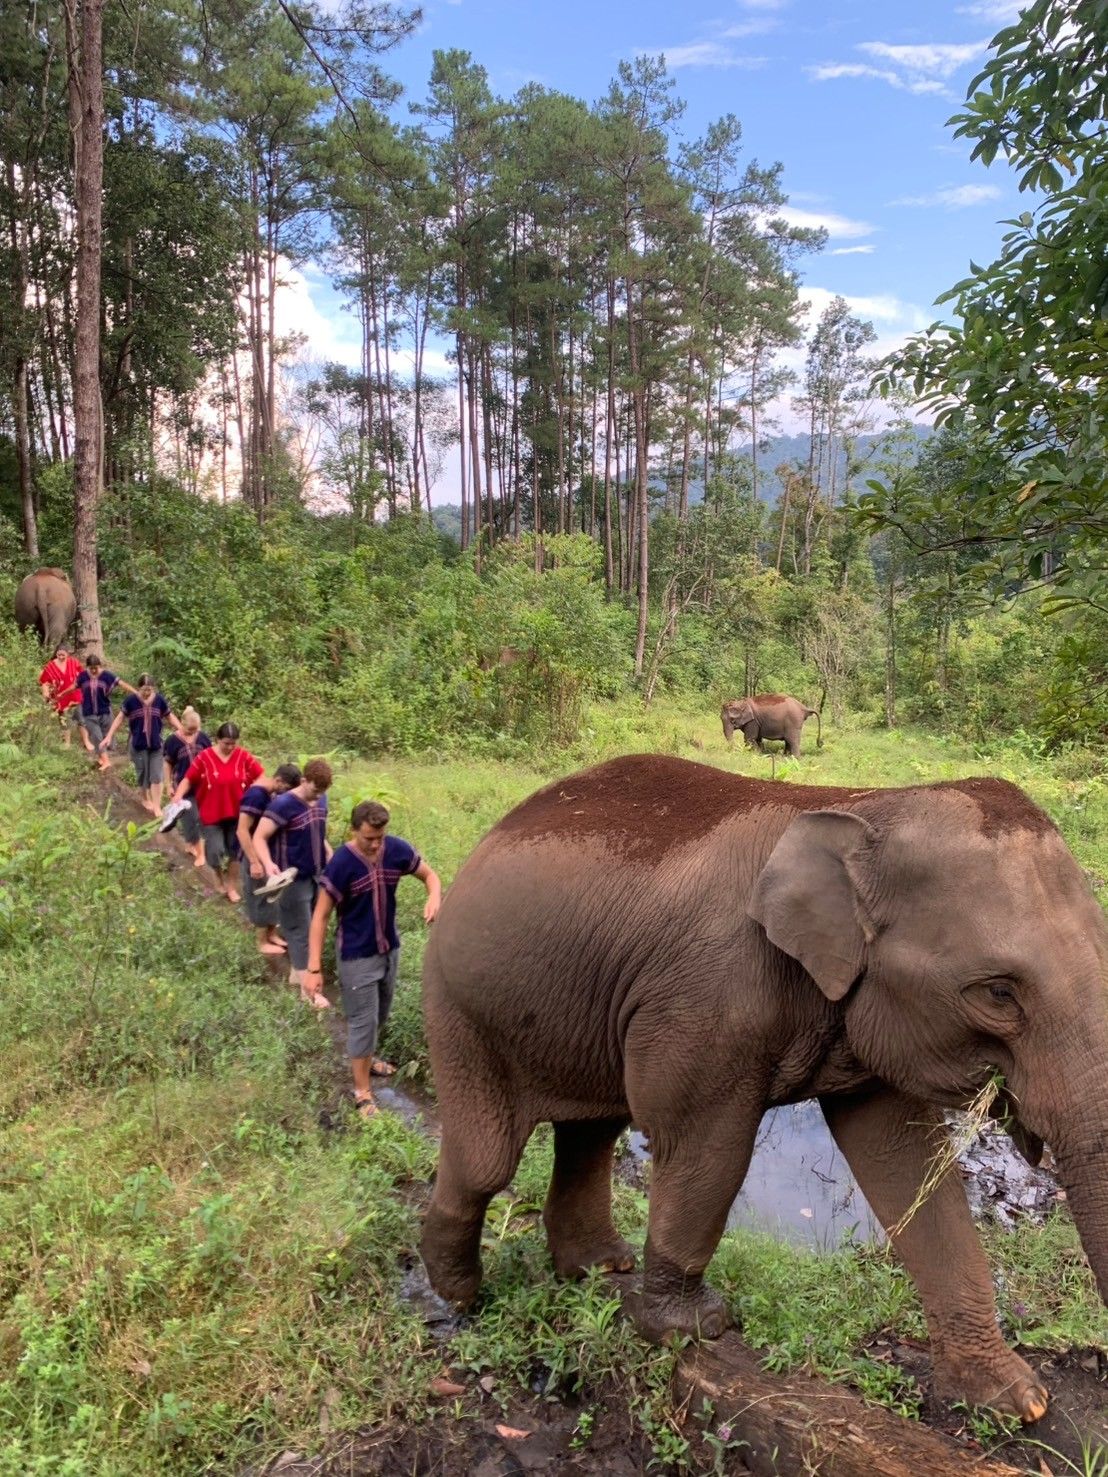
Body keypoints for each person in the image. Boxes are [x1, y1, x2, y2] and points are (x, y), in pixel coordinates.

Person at [305, 799, 440, 1119]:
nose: (375, 844)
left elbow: (429, 875)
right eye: (368, 838)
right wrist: (313, 968)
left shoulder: (395, 849)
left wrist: (434, 895)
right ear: (354, 831)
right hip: (356, 956)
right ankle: (362, 1092)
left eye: (379, 837)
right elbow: (321, 916)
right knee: (363, 1022)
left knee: (380, 1014)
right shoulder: (341, 863)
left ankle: (368, 1058)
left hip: (388, 949)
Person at [252, 758, 334, 1005]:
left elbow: (319, 831)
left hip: (317, 874)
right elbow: (259, 837)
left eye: (322, 792)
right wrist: (268, 865)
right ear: (303, 781)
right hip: (292, 878)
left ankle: (296, 976)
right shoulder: (283, 804)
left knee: (316, 926)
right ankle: (309, 993)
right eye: (314, 790)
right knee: (301, 931)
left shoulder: (321, 800)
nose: (317, 796)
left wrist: (329, 853)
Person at [169, 721, 262, 903]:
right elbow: (188, 779)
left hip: (237, 814)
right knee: (215, 851)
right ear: (217, 740)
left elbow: (260, 776)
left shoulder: (243, 756)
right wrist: (178, 796)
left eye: (233, 743)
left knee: (235, 851)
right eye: (226, 743)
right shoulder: (205, 757)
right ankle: (218, 877)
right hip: (212, 814)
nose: (230, 747)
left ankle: (232, 885)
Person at [237, 762, 301, 956]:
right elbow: (242, 830)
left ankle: (271, 934)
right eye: (287, 789)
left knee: (274, 894)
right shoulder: (256, 796)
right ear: (278, 780)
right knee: (260, 896)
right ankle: (261, 941)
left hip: (267, 854)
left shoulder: (270, 793)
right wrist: (255, 861)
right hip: (253, 855)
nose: (287, 794)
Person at [101, 674, 182, 817]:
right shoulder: (131, 701)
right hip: (138, 745)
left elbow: (170, 716)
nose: (146, 693)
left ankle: (157, 806)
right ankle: (145, 798)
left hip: (156, 745)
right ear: (139, 688)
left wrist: (181, 730)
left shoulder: (159, 700)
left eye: (149, 690)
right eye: (144, 689)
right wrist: (108, 736)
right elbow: (120, 718)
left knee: (157, 776)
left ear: (153, 688)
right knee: (143, 775)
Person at [60, 655, 137, 771]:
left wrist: (136, 693)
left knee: (107, 737)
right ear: (87, 668)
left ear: (99, 666)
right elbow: (74, 686)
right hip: (89, 712)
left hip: (104, 711)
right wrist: (63, 693)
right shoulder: (83, 676)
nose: (94, 670)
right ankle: (106, 762)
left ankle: (102, 757)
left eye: (96, 668)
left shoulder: (107, 675)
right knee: (96, 737)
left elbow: (121, 683)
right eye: (91, 668)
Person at [164, 707, 212, 867]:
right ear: (182, 724)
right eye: (190, 730)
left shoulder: (203, 738)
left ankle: (192, 844)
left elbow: (211, 758)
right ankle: (200, 854)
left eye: (195, 730)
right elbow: (168, 764)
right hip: (183, 788)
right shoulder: (172, 741)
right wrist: (168, 784)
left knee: (202, 819)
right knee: (191, 819)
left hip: (203, 786)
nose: (193, 733)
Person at [38, 645, 83, 748]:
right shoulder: (50, 666)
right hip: (60, 697)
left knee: (81, 718)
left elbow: (82, 675)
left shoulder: (74, 662)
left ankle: (86, 741)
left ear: (68, 654)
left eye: (63, 655)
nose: (61, 657)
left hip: (75, 695)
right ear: (56, 654)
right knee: (64, 720)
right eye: (59, 654)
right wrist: (45, 693)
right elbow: (44, 681)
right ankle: (66, 743)